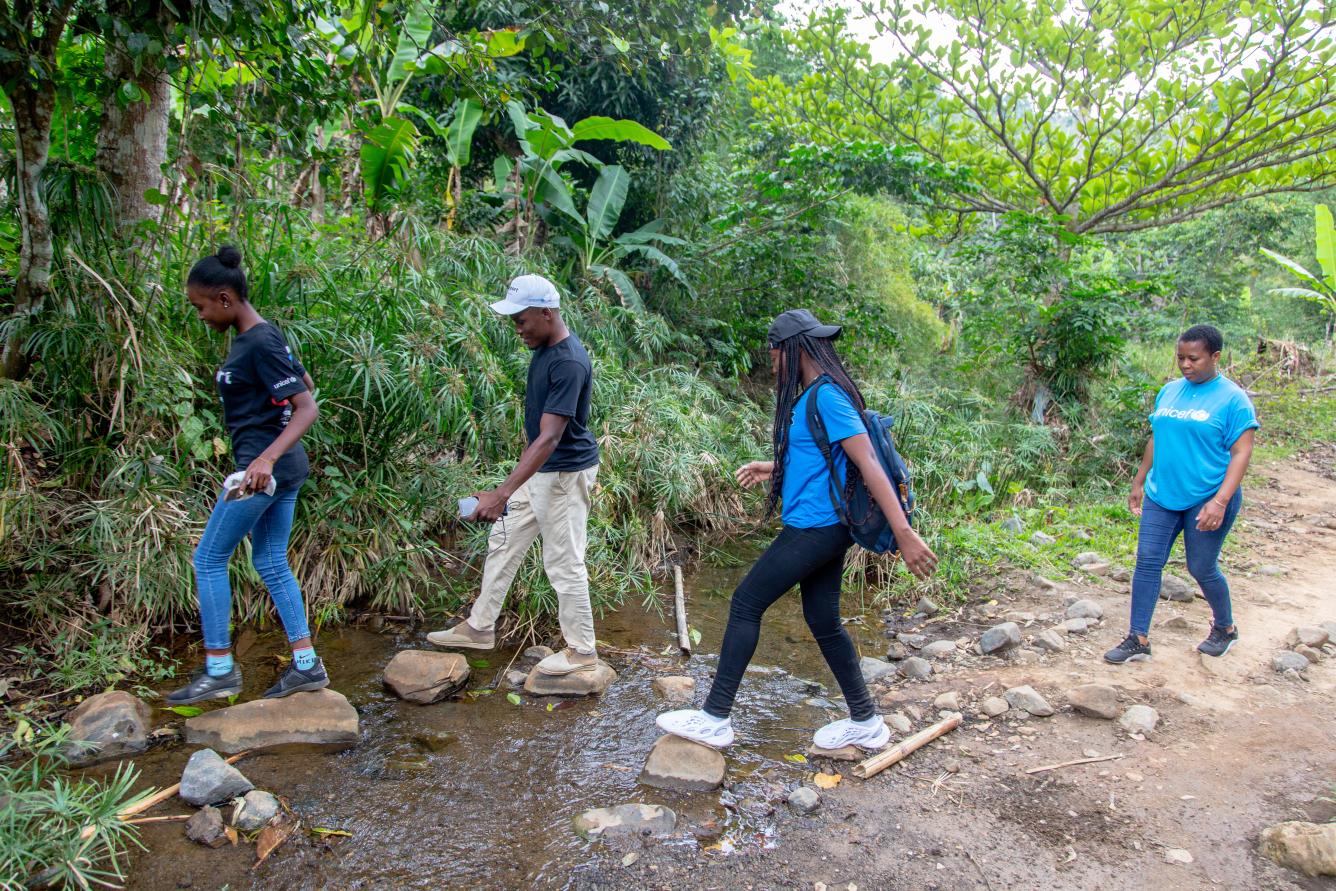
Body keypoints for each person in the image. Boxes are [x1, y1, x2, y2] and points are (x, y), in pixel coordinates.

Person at [656, 310, 938, 751]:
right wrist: (773, 468)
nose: (772, 368)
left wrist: (903, 532)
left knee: (746, 602)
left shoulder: (826, 397)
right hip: (821, 526)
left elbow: (869, 465)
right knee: (823, 620)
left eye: (774, 358)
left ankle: (715, 717)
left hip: (818, 529)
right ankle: (865, 721)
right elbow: (825, 459)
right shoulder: (814, 396)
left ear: (794, 350)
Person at [166, 246, 328, 705]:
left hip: (263, 472)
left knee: (209, 559)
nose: (199, 315)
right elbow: (305, 383)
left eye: (199, 306)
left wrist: (265, 460)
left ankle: (219, 670)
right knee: (271, 561)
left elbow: (306, 405)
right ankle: (305, 666)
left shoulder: (258, 341)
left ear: (224, 298)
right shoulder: (263, 338)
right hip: (281, 468)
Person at [427, 274, 601, 676]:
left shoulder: (569, 361)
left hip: (563, 475)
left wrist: (501, 493)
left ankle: (582, 651)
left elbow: (551, 437)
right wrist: (508, 489)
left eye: (521, 321)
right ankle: (479, 627)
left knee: (564, 563)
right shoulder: (544, 348)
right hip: (542, 472)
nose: (516, 329)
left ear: (546, 312)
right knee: (502, 542)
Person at [1105, 324, 1259, 665]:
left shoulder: (1233, 399)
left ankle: (1225, 628)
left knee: (1201, 567)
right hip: (1163, 493)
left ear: (1215, 357)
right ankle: (1137, 638)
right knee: (1147, 560)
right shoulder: (1170, 391)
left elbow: (1241, 452)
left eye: (1194, 358)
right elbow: (1158, 436)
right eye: (1180, 358)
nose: (1185, 365)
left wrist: (1219, 501)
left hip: (1207, 496)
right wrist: (1140, 479)